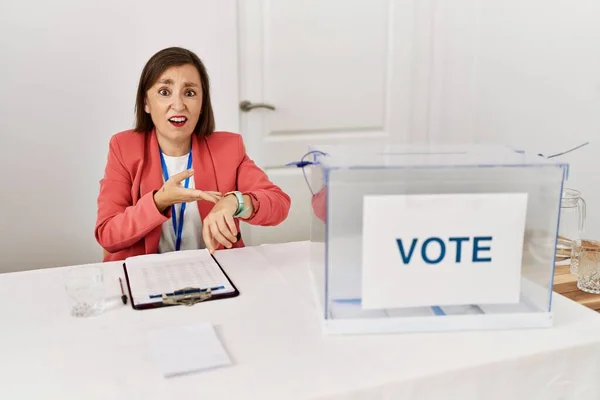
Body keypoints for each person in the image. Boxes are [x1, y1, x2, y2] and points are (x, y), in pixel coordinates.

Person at [95, 47, 291, 262]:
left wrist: (234, 202)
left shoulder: (228, 147)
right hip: (146, 277)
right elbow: (108, 234)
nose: (178, 105)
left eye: (189, 93)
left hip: (215, 272)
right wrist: (160, 201)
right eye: (164, 92)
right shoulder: (124, 147)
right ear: (146, 103)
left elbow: (279, 204)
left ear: (201, 103)